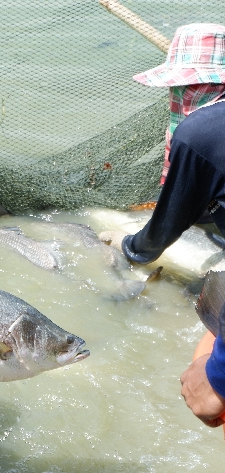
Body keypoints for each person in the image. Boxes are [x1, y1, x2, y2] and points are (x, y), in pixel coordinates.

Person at [114, 24, 225, 426]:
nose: (179, 98)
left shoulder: (203, 132)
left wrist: (130, 251)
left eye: (185, 89)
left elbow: (165, 229)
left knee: (205, 389)